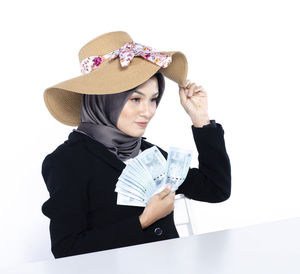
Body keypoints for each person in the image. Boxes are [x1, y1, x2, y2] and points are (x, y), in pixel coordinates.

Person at [41, 31, 231, 259]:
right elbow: (66, 250)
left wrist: (201, 119)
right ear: (105, 100)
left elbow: (216, 190)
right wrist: (144, 220)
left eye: (153, 99)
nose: (148, 111)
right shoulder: (66, 162)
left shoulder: (147, 152)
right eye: (135, 99)